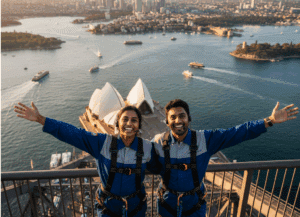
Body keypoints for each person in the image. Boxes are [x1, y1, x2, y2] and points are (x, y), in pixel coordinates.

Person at [151, 99, 298, 217]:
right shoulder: (158, 142)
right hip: (167, 205)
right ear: (167, 121)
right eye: (173, 117)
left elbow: (237, 133)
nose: (178, 120)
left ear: (189, 118)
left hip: (194, 207)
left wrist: (269, 121)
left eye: (182, 116)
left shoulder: (205, 139)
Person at [14, 102, 160, 217]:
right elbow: (73, 134)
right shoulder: (103, 143)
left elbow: (162, 166)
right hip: (108, 209)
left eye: (134, 120)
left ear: (139, 125)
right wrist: (41, 119)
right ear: (118, 123)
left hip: (136, 209)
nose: (129, 123)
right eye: (125, 119)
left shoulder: (147, 148)